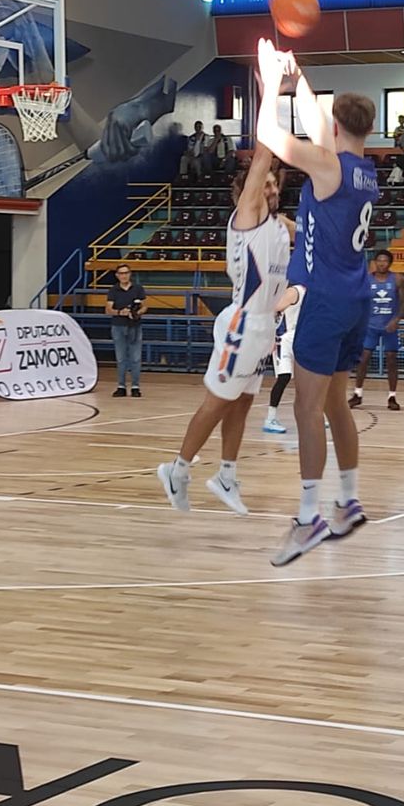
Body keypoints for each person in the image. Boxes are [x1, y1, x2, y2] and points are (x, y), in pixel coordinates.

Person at [253, 40, 381, 566]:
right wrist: (299, 78)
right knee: (333, 404)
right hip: (355, 298)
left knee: (307, 409)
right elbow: (316, 124)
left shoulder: (328, 168)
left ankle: (308, 519)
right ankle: (348, 500)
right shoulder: (363, 170)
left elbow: (270, 136)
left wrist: (267, 86)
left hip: (325, 301)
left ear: (335, 125)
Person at [156, 129, 289, 516]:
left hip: (263, 325)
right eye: (264, 185)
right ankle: (177, 470)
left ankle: (227, 475)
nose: (271, 189)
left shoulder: (280, 226)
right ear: (247, 193)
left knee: (244, 403)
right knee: (217, 403)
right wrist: (275, 89)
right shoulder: (248, 217)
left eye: (273, 186)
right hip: (243, 324)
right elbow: (264, 156)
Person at [351, 249, 404, 410]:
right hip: (370, 325)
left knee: (391, 360)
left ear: (390, 263)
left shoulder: (397, 279)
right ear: (375, 262)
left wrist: (396, 319)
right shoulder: (367, 280)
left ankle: (392, 396)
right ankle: (358, 393)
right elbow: (360, 302)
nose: (382, 263)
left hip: (389, 326)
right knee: (363, 359)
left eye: (385, 261)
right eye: (379, 260)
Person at [264, 283, 304, 435]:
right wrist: (270, 336)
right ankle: (270, 418)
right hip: (286, 340)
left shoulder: (315, 291)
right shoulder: (295, 291)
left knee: (307, 379)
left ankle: (311, 414)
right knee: (284, 377)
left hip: (303, 338)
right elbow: (273, 310)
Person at [106, 263, 146, 397]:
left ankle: (135, 386)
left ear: (130, 274)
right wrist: (120, 312)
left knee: (135, 357)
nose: (124, 276)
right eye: (121, 273)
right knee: (121, 358)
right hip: (118, 326)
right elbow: (108, 309)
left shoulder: (138, 289)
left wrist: (137, 313)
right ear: (117, 276)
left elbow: (144, 306)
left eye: (126, 273)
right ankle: (121, 386)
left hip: (135, 326)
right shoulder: (113, 290)